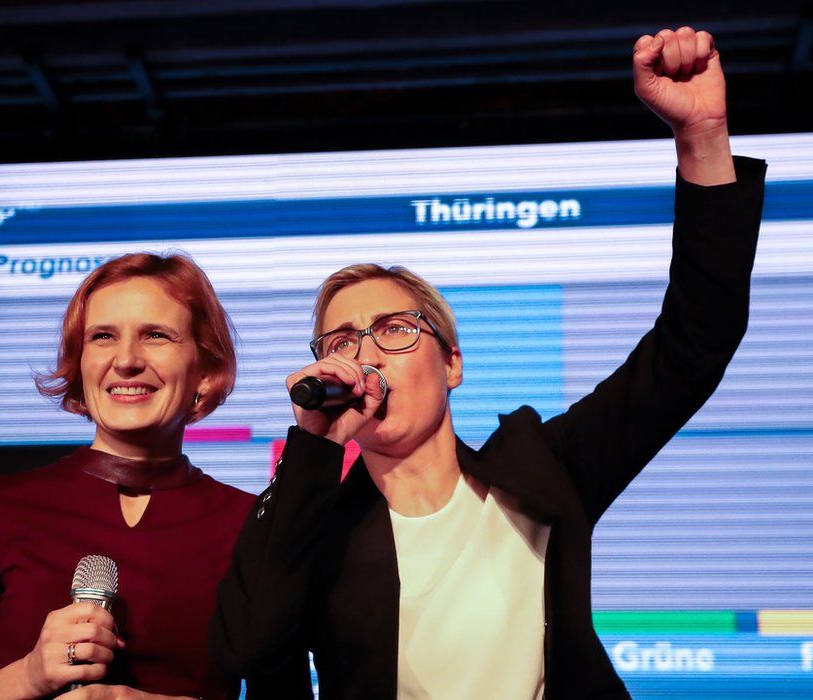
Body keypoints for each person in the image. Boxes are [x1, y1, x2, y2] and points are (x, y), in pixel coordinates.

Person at [209, 27, 768, 699]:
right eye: (341, 340)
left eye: (394, 329)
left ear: (452, 364)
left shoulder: (541, 468)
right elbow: (250, 650)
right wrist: (314, 447)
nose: (365, 355)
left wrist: (703, 136)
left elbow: (695, 343)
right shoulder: (315, 524)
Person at [0, 253, 258, 700]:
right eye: (102, 337)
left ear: (206, 370)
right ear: (80, 367)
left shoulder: (251, 521)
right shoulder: (1, 506)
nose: (126, 360)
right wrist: (28, 677)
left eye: (156, 335)